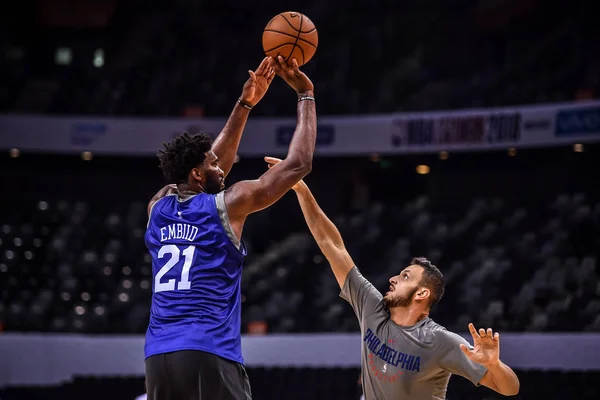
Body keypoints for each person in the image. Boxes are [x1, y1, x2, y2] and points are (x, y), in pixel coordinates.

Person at [264, 157, 520, 399]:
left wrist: (494, 365)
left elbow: (509, 389)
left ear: (422, 293)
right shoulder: (371, 307)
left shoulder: (441, 341)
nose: (393, 279)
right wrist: (302, 190)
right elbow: (331, 244)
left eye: (405, 276)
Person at [144, 56, 316, 400]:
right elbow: (299, 163)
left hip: (157, 356)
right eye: (214, 165)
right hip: (209, 351)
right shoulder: (227, 205)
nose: (224, 168)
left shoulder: (157, 206)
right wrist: (305, 94)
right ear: (197, 173)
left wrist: (245, 104)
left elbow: (201, 168)